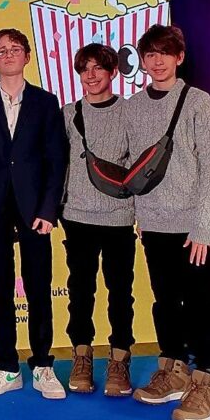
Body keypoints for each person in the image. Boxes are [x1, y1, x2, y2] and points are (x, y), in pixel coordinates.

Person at [127, 24, 210, 420]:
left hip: (192, 227)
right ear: (142, 61)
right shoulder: (134, 105)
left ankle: (207, 382)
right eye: (150, 54)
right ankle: (173, 370)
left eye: (165, 53)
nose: (158, 61)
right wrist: (138, 215)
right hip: (153, 224)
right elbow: (133, 167)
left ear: (179, 57)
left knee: (200, 303)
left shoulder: (197, 101)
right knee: (164, 301)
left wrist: (203, 226)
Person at [0, 28, 68, 398]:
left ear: (27, 55)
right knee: (0, 287)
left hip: (35, 209)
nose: (8, 54)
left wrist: (49, 209)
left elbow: (57, 160)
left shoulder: (46, 102)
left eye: (15, 48)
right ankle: (7, 366)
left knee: (39, 285)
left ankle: (42, 364)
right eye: (1, 50)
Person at [60, 44, 136, 396]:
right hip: (76, 216)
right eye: (84, 69)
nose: (90, 75)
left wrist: (140, 211)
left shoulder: (130, 111)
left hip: (120, 215)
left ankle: (120, 359)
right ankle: (82, 356)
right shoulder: (68, 113)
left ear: (113, 72)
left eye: (98, 68)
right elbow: (58, 162)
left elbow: (141, 165)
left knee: (120, 292)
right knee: (80, 290)